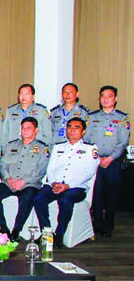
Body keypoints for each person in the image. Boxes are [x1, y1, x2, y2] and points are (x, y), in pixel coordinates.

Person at [33, 118, 99, 247]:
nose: (72, 130)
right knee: (38, 198)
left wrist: (68, 185)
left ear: (83, 131)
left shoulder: (90, 149)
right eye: (69, 127)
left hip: (76, 187)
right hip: (55, 184)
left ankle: (60, 234)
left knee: (65, 200)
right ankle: (47, 232)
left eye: (76, 127)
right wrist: (53, 183)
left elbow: (89, 172)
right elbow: (50, 168)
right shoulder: (58, 147)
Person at [0, 117, 49, 241]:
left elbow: (41, 170)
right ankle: (3, 227)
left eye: (29, 128)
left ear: (36, 130)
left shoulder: (42, 149)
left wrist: (24, 181)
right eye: (23, 127)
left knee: (28, 196)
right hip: (9, 182)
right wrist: (8, 179)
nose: (25, 130)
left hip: (29, 184)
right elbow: (3, 164)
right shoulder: (11, 146)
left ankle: (16, 229)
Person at [86, 85, 130, 237]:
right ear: (99, 98)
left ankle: (109, 226)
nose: (106, 99)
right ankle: (97, 223)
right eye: (103, 96)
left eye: (109, 96)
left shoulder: (122, 118)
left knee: (111, 194)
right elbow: (87, 139)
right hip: (95, 160)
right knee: (96, 193)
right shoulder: (92, 117)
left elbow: (123, 142)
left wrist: (110, 158)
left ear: (115, 98)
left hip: (113, 161)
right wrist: (98, 158)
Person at [2, 84, 51, 148]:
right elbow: (5, 133)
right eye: (21, 94)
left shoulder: (41, 110)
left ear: (33, 96)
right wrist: (5, 148)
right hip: (14, 148)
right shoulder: (11, 111)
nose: (23, 96)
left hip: (34, 148)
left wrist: (42, 149)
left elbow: (47, 134)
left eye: (27, 94)